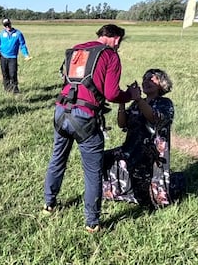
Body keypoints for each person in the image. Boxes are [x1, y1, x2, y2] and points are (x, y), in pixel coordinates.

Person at [43, 24, 135, 233]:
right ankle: (92, 223)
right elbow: (111, 94)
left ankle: (49, 204)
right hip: (85, 116)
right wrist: (130, 96)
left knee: (57, 158)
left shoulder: (77, 49)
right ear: (117, 39)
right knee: (93, 171)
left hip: (61, 110)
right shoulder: (110, 55)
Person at [106, 68, 175, 206]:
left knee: (124, 161)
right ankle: (116, 191)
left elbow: (153, 117)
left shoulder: (165, 103)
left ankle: (142, 191)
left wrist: (138, 99)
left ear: (161, 83)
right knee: (105, 157)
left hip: (151, 152)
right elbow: (122, 123)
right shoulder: (136, 104)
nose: (146, 81)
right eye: (144, 79)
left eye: (152, 78)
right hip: (132, 147)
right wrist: (122, 101)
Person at [0, 18, 30, 93]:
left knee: (13, 74)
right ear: (3, 26)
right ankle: (7, 90)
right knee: (5, 74)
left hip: (13, 57)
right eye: (5, 25)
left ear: (10, 24)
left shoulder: (18, 34)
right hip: (3, 57)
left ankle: (15, 91)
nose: (7, 27)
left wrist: (26, 55)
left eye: (8, 24)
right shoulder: (1, 34)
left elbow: (22, 45)